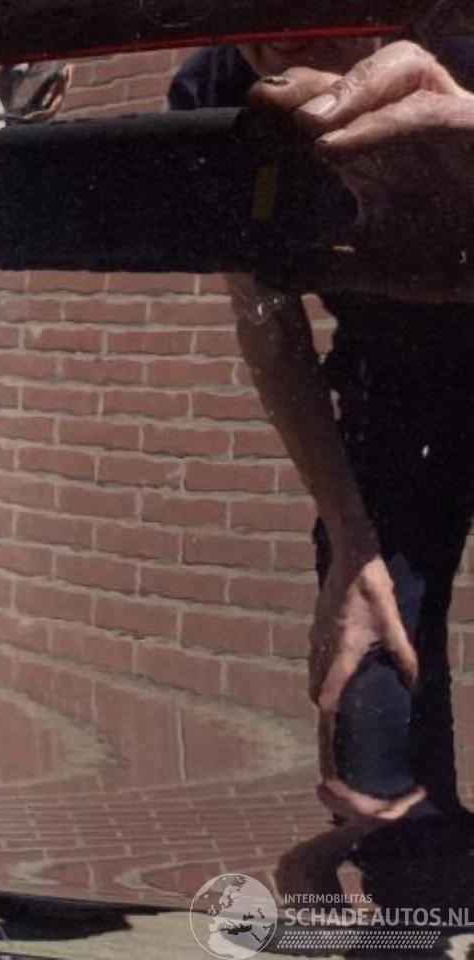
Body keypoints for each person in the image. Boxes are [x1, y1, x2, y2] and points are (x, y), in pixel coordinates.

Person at [170, 38, 474, 824]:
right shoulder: (221, 88)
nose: (271, 34)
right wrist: (349, 535)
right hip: (393, 377)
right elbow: (264, 312)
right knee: (371, 688)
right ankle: (402, 872)